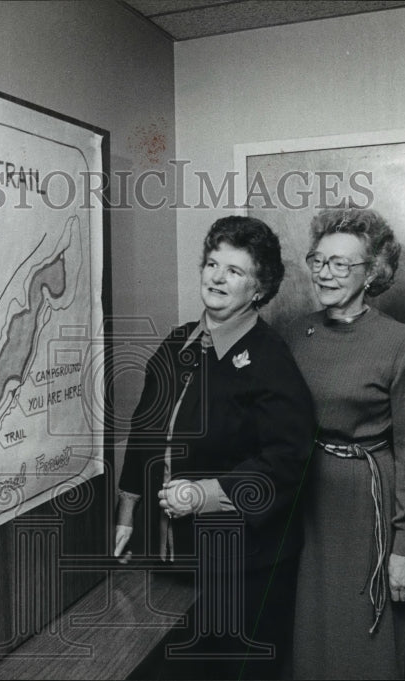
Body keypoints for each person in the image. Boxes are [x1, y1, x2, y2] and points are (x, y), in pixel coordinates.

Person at [114, 215, 316, 679]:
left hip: (246, 565)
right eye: (211, 264)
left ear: (260, 289)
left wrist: (205, 494)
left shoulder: (270, 359)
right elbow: (144, 433)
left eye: (235, 271)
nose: (217, 277)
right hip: (171, 557)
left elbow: (287, 463)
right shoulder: (175, 345)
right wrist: (127, 512)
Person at [286, 208, 405, 679]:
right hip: (307, 499)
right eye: (319, 260)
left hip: (368, 502)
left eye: (341, 264)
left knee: (363, 632)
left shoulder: (399, 342)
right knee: (311, 625)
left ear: (372, 273)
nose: (325, 273)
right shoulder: (295, 334)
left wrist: (404, 545)